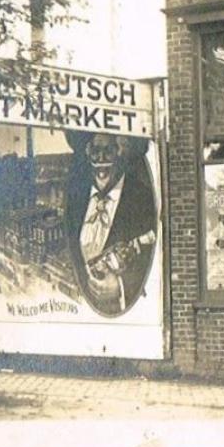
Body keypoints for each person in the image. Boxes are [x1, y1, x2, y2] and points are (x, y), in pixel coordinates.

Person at [66, 133, 158, 316]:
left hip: (120, 311)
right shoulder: (77, 197)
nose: (101, 159)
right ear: (87, 153)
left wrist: (121, 285)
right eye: (95, 151)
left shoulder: (142, 199)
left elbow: (153, 256)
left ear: (120, 152)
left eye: (108, 151)